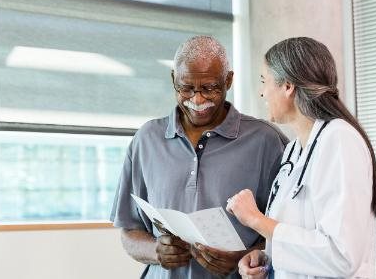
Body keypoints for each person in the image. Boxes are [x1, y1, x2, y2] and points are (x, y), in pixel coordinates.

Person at [110, 35, 288, 278]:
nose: (197, 99)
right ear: (174, 79)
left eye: (209, 88)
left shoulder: (266, 140)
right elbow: (129, 231)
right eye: (186, 88)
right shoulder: (146, 139)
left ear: (228, 80)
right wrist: (155, 251)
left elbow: (289, 233)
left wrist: (244, 257)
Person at [226, 37, 376, 279]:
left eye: (264, 81)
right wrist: (266, 261)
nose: (262, 92)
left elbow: (342, 256)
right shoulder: (294, 151)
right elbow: (301, 240)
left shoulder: (340, 140)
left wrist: (256, 220)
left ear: (288, 87)